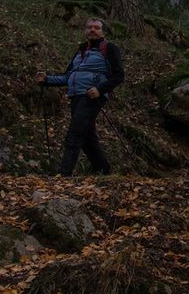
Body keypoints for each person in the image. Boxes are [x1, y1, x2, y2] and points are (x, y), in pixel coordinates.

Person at [35, 18, 124, 176]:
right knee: (87, 136)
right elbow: (67, 76)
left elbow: (118, 75)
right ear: (85, 31)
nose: (92, 30)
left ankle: (64, 174)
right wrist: (47, 79)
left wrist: (99, 89)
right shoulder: (80, 52)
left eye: (96, 27)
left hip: (92, 97)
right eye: (89, 27)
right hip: (75, 96)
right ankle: (103, 170)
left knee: (75, 133)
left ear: (102, 31)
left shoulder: (109, 48)